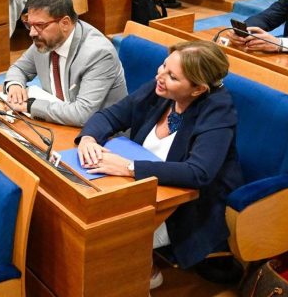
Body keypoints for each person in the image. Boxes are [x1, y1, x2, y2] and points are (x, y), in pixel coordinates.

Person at [76, 40, 243, 279]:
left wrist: (128, 167)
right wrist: (89, 139)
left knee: (104, 241)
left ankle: (147, 277)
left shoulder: (218, 113)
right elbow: (111, 116)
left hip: (188, 209)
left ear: (197, 89)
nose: (160, 76)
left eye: (172, 76)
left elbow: (198, 173)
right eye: (163, 66)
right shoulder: (161, 88)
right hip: (144, 190)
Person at [3, 0, 127, 126]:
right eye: (29, 24)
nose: (32, 33)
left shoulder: (98, 54)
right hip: (58, 122)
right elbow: (19, 68)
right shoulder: (46, 40)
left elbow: (82, 114)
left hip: (100, 137)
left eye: (39, 25)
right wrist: (15, 85)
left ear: (65, 23)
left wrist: (30, 106)